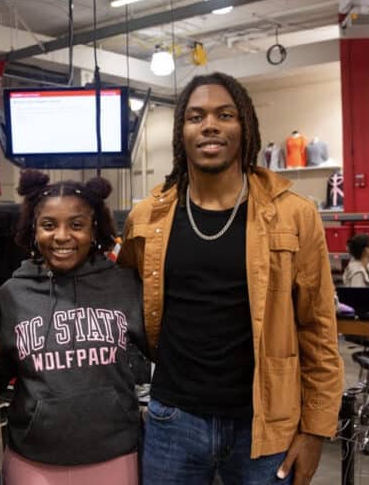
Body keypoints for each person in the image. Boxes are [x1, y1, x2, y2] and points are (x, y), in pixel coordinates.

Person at [118, 72, 343, 485]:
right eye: (195, 116)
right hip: (173, 422)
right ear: (180, 132)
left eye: (225, 114)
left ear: (246, 128)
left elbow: (319, 329)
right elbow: (123, 300)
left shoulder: (295, 214)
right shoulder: (147, 218)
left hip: (266, 424)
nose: (210, 125)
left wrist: (315, 430)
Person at [0, 171, 145, 485]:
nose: (62, 236)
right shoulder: (11, 295)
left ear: (94, 228)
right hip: (32, 461)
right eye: (48, 225)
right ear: (33, 229)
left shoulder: (125, 284)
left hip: (114, 456)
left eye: (76, 224)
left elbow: (158, 350)